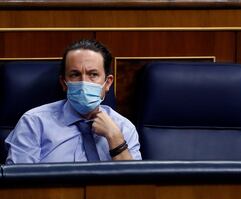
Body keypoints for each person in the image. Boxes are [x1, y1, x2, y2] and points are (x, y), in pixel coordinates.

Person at [5, 39, 141, 163]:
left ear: (107, 83)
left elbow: (135, 187)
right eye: (75, 75)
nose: (83, 83)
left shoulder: (124, 128)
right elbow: (19, 186)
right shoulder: (34, 123)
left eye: (93, 74)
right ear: (64, 83)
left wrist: (115, 139)